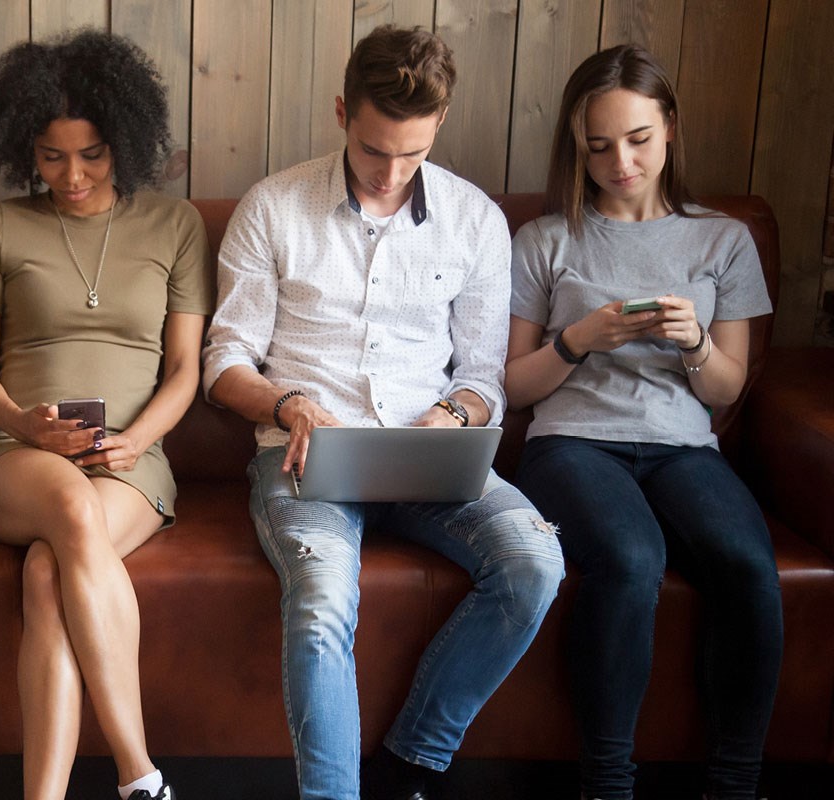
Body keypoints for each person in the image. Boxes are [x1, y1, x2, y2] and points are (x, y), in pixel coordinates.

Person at [202, 25, 565, 800]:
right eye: (374, 151)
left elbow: (482, 379)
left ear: (440, 127)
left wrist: (451, 419)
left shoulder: (475, 221)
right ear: (342, 112)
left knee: (536, 562)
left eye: (414, 154)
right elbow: (224, 364)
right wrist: (290, 403)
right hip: (306, 455)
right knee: (323, 599)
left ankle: (410, 764)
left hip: (429, 454)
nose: (391, 174)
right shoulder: (272, 207)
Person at [504, 44, 782, 800]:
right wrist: (579, 339)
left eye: (638, 141)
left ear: (670, 130)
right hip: (571, 445)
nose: (619, 162)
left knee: (749, 566)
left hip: (683, 446)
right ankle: (608, 783)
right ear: (576, 145)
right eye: (597, 147)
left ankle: (735, 784)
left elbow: (725, 389)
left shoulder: (722, 240)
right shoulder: (544, 240)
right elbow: (514, 387)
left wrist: (693, 339)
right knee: (630, 562)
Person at [0, 30, 212, 800]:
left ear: (125, 143)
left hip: (130, 461)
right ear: (23, 147)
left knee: (46, 570)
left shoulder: (175, 225)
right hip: (12, 452)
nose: (71, 175)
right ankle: (139, 772)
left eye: (92, 153)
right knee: (65, 505)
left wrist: (138, 439)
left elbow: (185, 369)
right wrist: (23, 425)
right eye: (51, 154)